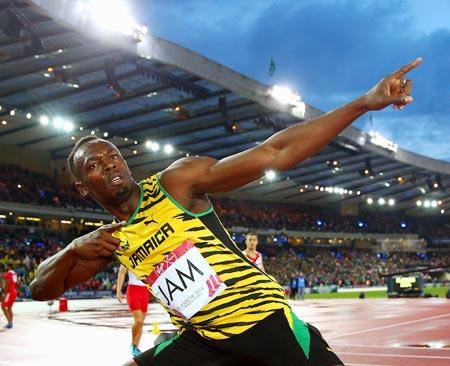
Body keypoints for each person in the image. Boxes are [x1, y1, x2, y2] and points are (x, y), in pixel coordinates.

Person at [30, 58, 421, 366]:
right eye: (96, 165)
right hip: (202, 339)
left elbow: (274, 153)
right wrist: (74, 248)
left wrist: (362, 103)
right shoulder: (112, 241)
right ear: (82, 187)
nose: (110, 164)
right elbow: (40, 289)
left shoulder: (175, 184)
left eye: (113, 156)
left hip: (262, 323)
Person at [116, 264, 151, 357]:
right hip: (133, 291)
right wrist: (118, 290)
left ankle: (136, 347)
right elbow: (122, 273)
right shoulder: (127, 256)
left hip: (144, 291)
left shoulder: (146, 257)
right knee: (138, 321)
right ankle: (133, 345)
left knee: (141, 323)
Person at [1, 263, 18, 329]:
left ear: (9, 266)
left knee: (3, 307)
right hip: (14, 291)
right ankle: (10, 323)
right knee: (9, 307)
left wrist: (4, 294)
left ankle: (9, 323)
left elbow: (6, 285)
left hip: (9, 293)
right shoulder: (14, 273)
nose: (5, 266)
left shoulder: (8, 274)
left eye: (6, 265)